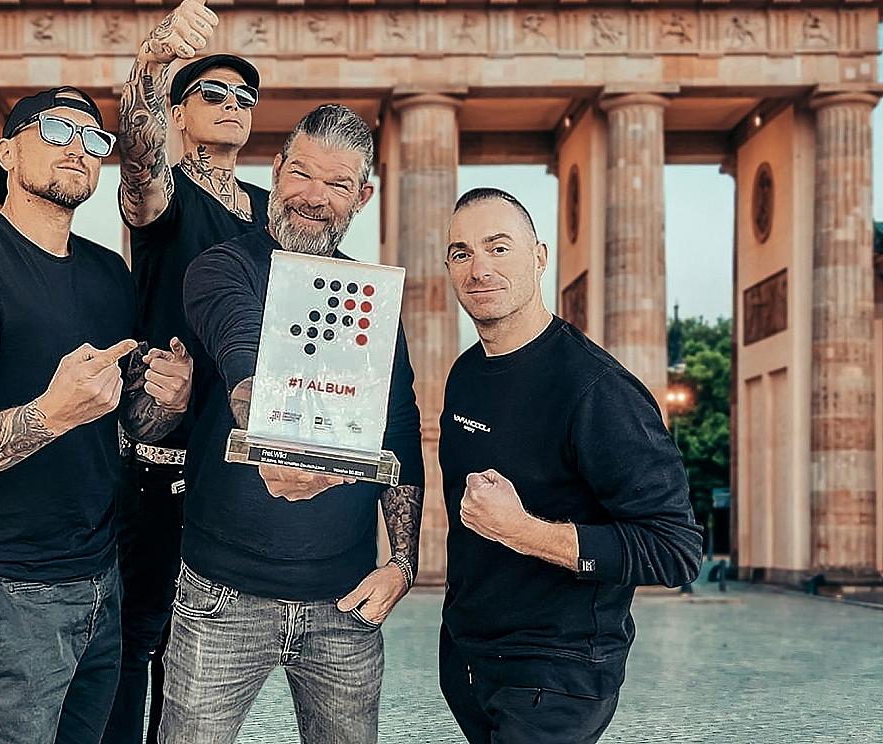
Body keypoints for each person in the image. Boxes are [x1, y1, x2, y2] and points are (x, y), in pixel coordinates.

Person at [0, 87, 194, 744]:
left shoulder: (108, 274)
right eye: (58, 129)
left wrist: (166, 402)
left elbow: (129, 422)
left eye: (94, 140)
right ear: (7, 152)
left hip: (100, 573)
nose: (78, 148)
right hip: (3, 583)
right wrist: (49, 414)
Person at [159, 104, 425, 744]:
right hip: (220, 598)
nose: (314, 196)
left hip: (345, 606)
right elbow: (242, 344)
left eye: (337, 184)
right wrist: (274, 439)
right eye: (301, 173)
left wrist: (403, 564)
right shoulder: (222, 267)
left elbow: (399, 431)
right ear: (276, 170)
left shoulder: (372, 301)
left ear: (362, 197)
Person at [437, 187, 703, 744]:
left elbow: (675, 550)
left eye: (498, 247)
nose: (479, 269)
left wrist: (522, 530)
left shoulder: (597, 389)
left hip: (559, 672)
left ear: (539, 256)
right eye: (462, 253)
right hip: (470, 662)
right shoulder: (464, 374)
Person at [103, 0, 269, 744]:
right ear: (177, 112)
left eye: (245, 96)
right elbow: (137, 155)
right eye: (213, 92)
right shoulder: (163, 195)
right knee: (135, 637)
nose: (233, 103)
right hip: (156, 458)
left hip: (230, 458)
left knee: (199, 650)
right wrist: (154, 61)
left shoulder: (269, 212)